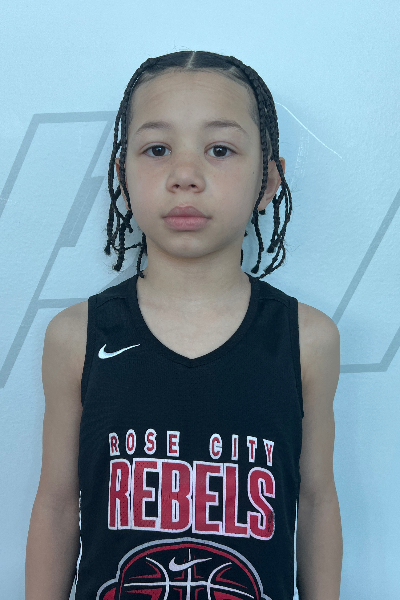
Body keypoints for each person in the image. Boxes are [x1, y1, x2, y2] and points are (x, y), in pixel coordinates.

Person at [25, 51, 342, 600]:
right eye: (157, 149)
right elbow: (56, 503)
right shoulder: (77, 336)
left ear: (268, 180)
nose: (185, 176)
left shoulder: (306, 339)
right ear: (123, 176)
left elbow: (315, 502)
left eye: (219, 149)